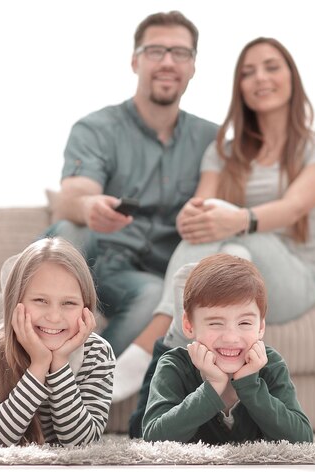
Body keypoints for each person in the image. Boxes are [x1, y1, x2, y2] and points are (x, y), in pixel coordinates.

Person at [121, 36, 315, 413]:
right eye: (248, 72)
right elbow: (202, 206)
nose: (260, 78)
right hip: (239, 277)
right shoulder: (223, 152)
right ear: (239, 87)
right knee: (233, 251)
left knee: (229, 232)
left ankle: (152, 343)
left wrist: (235, 218)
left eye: (271, 66)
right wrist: (192, 215)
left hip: (294, 277)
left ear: (292, 76)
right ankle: (177, 378)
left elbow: (293, 207)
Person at [43, 11, 218, 379]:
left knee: (155, 295)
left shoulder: (212, 140)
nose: (168, 61)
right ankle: (14, 362)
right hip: (99, 260)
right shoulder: (97, 128)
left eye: (180, 53)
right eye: (155, 51)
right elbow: (73, 195)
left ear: (193, 66)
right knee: (66, 233)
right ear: (135, 60)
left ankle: (65, 389)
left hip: (150, 276)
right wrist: (89, 206)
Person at [0, 237, 115, 446]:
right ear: (16, 300)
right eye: (41, 300)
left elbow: (82, 445)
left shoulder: (98, 353)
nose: (54, 317)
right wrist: (39, 365)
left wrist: (59, 363)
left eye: (69, 303)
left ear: (86, 309)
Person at [142, 253, 313, 444]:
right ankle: (174, 329)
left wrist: (249, 385)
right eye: (215, 323)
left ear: (261, 328)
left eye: (245, 323)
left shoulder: (270, 364)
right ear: (189, 326)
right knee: (136, 426)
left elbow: (303, 440)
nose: (231, 338)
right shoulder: (173, 365)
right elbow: (154, 439)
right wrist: (212, 387)